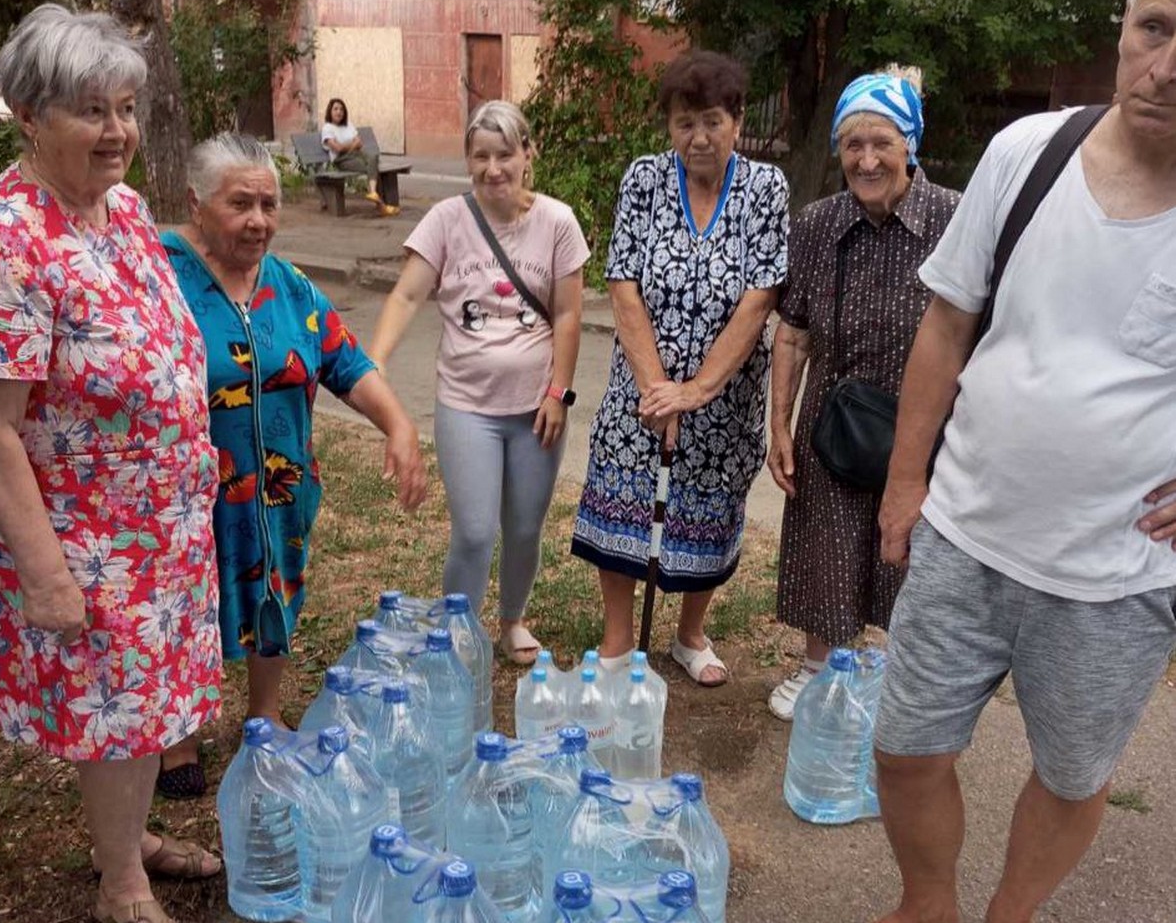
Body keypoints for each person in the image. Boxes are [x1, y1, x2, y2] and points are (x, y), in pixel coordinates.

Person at [813, 0, 1176, 923]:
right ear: (1124, 29)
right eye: (1156, 30)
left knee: (1072, 779)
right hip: (965, 532)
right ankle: (928, 912)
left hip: (1117, 572)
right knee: (907, 747)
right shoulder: (1031, 154)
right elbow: (949, 322)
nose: (1168, 64)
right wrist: (904, 482)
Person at [0, 5, 224, 923]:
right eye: (93, 110)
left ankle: (132, 839)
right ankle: (120, 889)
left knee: (150, 705)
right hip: (84, 531)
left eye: (126, 106)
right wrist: (45, 572)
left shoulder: (116, 207)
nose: (119, 130)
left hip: (158, 518)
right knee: (116, 712)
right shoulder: (6, 237)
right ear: (32, 115)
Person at [161, 134, 426, 792]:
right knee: (186, 602)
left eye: (269, 204)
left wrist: (397, 424)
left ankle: (264, 710)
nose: (259, 220)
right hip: (192, 491)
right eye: (241, 203)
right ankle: (178, 741)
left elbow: (345, 360)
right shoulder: (160, 276)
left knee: (275, 589)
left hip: (280, 486)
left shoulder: (290, 285)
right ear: (198, 205)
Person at [571, 50, 787, 685]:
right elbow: (623, 282)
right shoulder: (642, 179)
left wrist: (696, 390)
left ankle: (690, 634)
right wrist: (658, 390)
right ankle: (618, 639)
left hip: (724, 396)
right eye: (684, 122)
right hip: (641, 388)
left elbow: (760, 297)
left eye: (712, 121)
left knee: (711, 507)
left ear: (738, 121)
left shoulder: (764, 189)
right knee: (622, 505)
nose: (698, 137)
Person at [766, 70, 960, 719]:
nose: (867, 159)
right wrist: (780, 424)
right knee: (825, 541)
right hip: (834, 419)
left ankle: (895, 675)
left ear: (911, 143)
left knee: (912, 550)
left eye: (881, 142)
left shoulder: (956, 218)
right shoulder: (818, 224)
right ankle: (817, 665)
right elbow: (791, 333)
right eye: (852, 144)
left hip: (927, 425)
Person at [369, 100, 587, 664]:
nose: (493, 169)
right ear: (468, 160)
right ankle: (459, 631)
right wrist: (376, 360)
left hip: (537, 408)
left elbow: (567, 315)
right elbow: (407, 294)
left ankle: (513, 619)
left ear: (527, 155)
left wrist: (559, 393)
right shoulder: (446, 219)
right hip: (467, 405)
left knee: (522, 528)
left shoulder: (557, 223)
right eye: (480, 156)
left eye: (505, 154)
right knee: (473, 530)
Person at [320, 96, 398, 216]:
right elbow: (337, 148)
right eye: (335, 109)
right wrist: (351, 145)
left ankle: (373, 192)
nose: (339, 112)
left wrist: (347, 146)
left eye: (341, 109)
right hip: (342, 160)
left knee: (373, 156)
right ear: (330, 112)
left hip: (357, 154)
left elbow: (359, 142)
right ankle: (381, 206)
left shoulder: (348, 125)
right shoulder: (327, 128)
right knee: (373, 169)